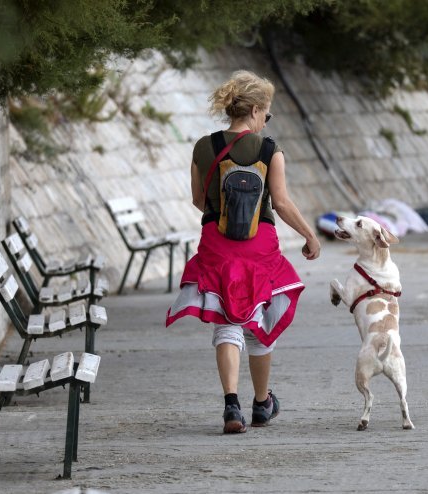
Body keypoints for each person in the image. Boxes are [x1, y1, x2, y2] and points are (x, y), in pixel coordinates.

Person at [166, 70, 321, 433]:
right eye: (266, 114)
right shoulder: (270, 150)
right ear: (253, 110)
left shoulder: (204, 147)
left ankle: (231, 406)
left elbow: (197, 199)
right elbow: (281, 202)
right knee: (257, 323)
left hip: (216, 244)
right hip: (259, 246)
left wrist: (223, 217)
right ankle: (262, 404)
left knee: (227, 324)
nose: (266, 121)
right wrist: (309, 235)